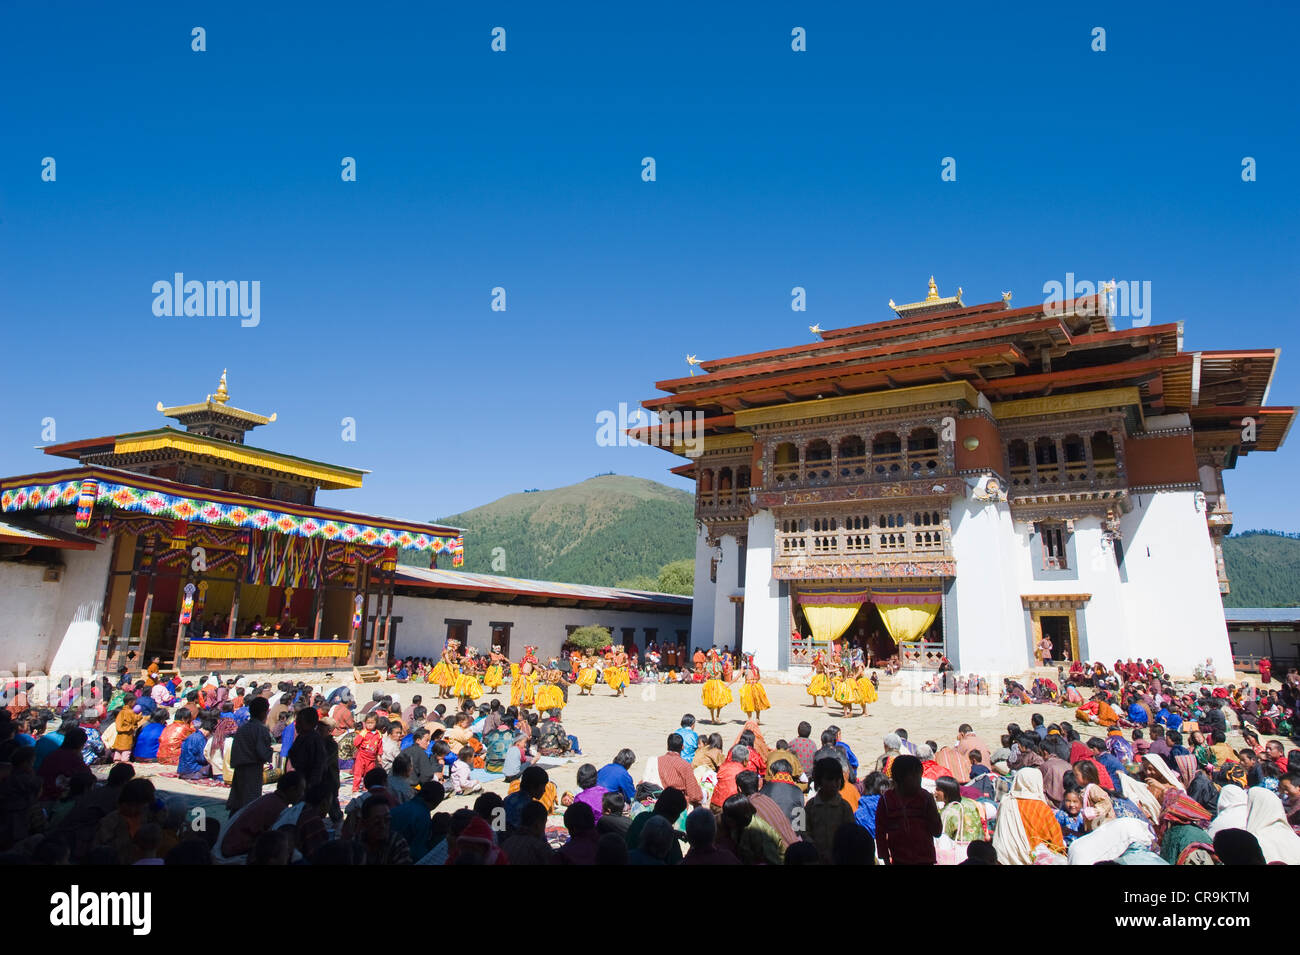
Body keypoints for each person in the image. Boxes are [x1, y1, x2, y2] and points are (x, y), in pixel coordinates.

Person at [991, 767, 1066, 865]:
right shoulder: (1041, 808)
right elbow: (1056, 842)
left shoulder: (1006, 802)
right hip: (1033, 860)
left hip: (1003, 860)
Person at [806, 756, 857, 864]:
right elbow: (801, 831)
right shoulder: (810, 806)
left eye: (837, 779)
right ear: (819, 781)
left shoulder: (844, 807)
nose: (834, 784)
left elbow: (851, 834)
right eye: (829, 779)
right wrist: (814, 849)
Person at [226, 696, 272, 812]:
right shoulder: (261, 730)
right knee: (250, 801)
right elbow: (262, 752)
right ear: (264, 713)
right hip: (252, 768)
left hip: (239, 767)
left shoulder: (242, 728)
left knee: (238, 798)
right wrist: (270, 752)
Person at [642, 732, 704, 805]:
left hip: (653, 799)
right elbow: (694, 795)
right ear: (682, 747)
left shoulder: (654, 761)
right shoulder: (685, 765)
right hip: (676, 805)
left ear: (667, 746)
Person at [738, 656, 770, 723]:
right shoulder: (754, 668)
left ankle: (752, 718)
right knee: (754, 702)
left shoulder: (746, 668)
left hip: (750, 686)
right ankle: (755, 718)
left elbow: (737, 677)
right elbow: (758, 677)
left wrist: (729, 684)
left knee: (752, 702)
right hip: (755, 685)